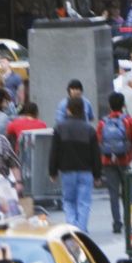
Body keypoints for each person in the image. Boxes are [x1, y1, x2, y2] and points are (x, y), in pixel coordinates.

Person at [49, 94, 100, 233]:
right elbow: (96, 154)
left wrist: (52, 171)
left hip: (67, 171)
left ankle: (72, 229)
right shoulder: (89, 130)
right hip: (86, 171)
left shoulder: (60, 128)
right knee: (83, 203)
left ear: (68, 110)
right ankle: (81, 231)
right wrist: (97, 175)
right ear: (83, 110)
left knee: (69, 201)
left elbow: (55, 151)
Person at [97, 91, 132, 234]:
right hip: (126, 160)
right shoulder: (129, 121)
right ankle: (129, 222)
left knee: (113, 193)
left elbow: (99, 142)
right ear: (123, 105)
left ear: (110, 106)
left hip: (108, 160)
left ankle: (117, 223)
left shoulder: (102, 123)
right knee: (128, 192)